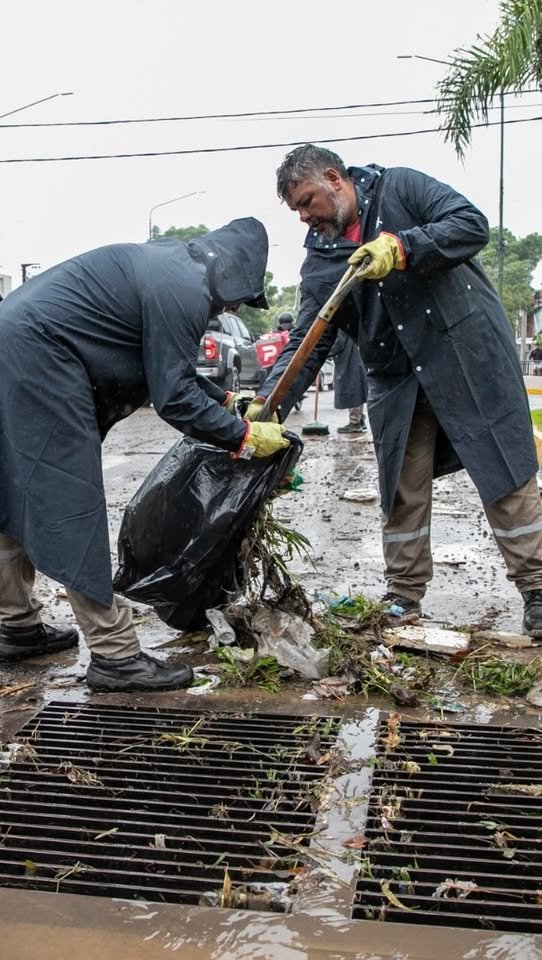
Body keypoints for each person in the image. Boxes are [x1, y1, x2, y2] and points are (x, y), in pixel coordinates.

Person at [246, 143, 542, 637]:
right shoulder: (321, 262)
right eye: (296, 209)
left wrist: (402, 247)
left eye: (307, 202)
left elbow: (470, 224)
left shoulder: (402, 188)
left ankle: (537, 589)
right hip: (395, 378)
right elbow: (308, 340)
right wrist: (268, 404)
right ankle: (403, 595)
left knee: (503, 473)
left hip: (463, 356)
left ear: (334, 179)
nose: (303, 217)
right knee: (400, 490)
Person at [0, 218, 289, 691]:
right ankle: (115, 655)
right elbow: (173, 396)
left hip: (14, 342)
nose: (235, 306)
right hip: (40, 357)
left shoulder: (169, 267)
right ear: (231, 272)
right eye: (240, 296)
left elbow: (162, 365)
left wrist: (224, 403)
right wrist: (243, 436)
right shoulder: (187, 287)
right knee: (67, 497)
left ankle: (16, 625)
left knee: (10, 491)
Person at [330, 329, 367, 434]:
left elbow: (337, 345)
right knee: (357, 392)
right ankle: (359, 419)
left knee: (353, 393)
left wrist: (323, 353)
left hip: (349, 363)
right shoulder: (350, 326)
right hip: (355, 362)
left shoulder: (342, 329)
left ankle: (355, 422)